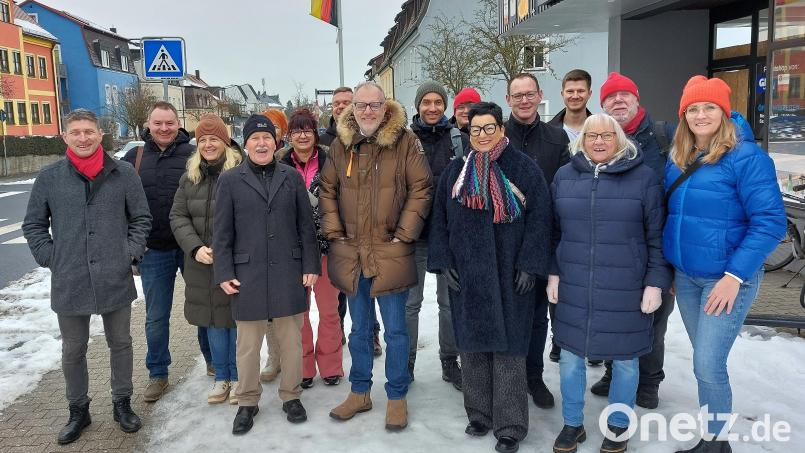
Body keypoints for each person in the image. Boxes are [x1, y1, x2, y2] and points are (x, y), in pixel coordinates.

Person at [668, 76, 785, 453]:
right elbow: (673, 216)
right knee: (704, 363)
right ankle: (712, 439)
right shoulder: (678, 157)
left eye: (709, 107)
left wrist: (734, 275)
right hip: (687, 278)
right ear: (684, 115)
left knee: (707, 364)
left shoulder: (746, 157)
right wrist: (672, 267)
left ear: (724, 112)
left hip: (727, 279)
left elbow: (770, 222)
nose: (700, 115)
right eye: (693, 109)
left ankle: (716, 444)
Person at [429, 102, 552, 453]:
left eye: (488, 128)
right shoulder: (456, 172)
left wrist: (530, 264)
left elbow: (541, 218)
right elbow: (440, 220)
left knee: (510, 350)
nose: (482, 135)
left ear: (501, 129)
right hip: (467, 274)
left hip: (511, 274)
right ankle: (479, 413)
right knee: (472, 347)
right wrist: (444, 262)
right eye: (475, 129)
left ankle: (510, 425)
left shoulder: (523, 168)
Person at [22, 109, 151, 444]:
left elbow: (141, 218)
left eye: (89, 131)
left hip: (114, 274)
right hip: (70, 278)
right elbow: (34, 225)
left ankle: (122, 403)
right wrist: (52, 257)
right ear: (65, 136)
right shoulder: (50, 178)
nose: (83, 138)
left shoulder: (123, 173)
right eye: (76, 132)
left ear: (100, 135)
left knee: (120, 343)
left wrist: (129, 253)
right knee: (73, 349)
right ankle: (78, 409)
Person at [548, 113, 671, 453]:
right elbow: (553, 232)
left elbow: (656, 237)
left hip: (626, 287)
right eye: (592, 136)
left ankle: (618, 424)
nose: (599, 141)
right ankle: (573, 424)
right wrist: (553, 272)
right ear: (582, 140)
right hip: (574, 285)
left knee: (626, 360)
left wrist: (655, 283)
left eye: (607, 135)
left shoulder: (644, 178)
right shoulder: (564, 177)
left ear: (619, 139)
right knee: (570, 358)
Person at [321, 81, 432, 431]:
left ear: (385, 107)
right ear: (352, 109)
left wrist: (404, 235)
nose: (367, 111)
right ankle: (360, 391)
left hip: (390, 252)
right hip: (353, 252)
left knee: (396, 330)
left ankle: (396, 395)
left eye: (374, 105)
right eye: (361, 105)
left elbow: (421, 188)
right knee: (359, 329)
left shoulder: (405, 142)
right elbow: (327, 190)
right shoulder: (341, 145)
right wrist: (336, 234)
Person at [214, 114, 320, 435]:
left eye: (267, 138)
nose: (261, 144)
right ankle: (247, 400)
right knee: (248, 345)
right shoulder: (230, 181)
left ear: (276, 143)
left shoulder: (291, 177)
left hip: (289, 270)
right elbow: (222, 233)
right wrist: (224, 271)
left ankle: (291, 395)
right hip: (247, 274)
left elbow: (306, 226)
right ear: (245, 144)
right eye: (255, 139)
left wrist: (311, 265)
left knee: (290, 342)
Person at [592, 72, 677, 409]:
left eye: (624, 94)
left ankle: (649, 382)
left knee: (654, 319)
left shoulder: (664, 136)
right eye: (610, 97)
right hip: (616, 248)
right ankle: (614, 371)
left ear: (636, 98)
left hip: (657, 246)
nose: (618, 101)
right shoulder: (603, 140)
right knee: (615, 315)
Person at [122, 101, 195, 402]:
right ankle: (158, 373)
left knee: (204, 308)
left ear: (178, 124)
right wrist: (131, 247)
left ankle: (215, 363)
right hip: (153, 250)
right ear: (148, 125)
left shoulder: (193, 154)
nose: (164, 128)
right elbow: (121, 205)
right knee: (155, 316)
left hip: (192, 247)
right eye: (158, 123)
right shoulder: (134, 157)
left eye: (169, 123)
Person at [504, 72, 569, 409]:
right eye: (518, 95)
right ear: (508, 100)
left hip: (542, 239)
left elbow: (565, 188)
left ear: (540, 95)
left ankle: (533, 375)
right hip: (503, 242)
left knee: (536, 316)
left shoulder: (557, 138)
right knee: (506, 313)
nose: (524, 101)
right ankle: (507, 376)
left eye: (530, 94)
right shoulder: (497, 135)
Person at [170, 113, 243, 404]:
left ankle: (238, 377)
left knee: (234, 320)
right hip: (201, 262)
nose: (208, 145)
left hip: (234, 261)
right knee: (212, 319)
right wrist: (195, 247)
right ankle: (221, 377)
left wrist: (231, 249)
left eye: (214, 139)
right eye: (203, 140)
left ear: (225, 142)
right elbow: (178, 216)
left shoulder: (240, 173)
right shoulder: (190, 177)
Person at [407, 80, 469, 388]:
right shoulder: (405, 140)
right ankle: (406, 361)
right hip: (414, 235)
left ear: (445, 106)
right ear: (418, 106)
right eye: (426, 102)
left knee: (448, 303)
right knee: (410, 304)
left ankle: (449, 359)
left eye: (438, 102)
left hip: (448, 236)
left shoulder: (459, 139)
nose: (432, 108)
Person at [276, 109, 344, 388]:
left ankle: (331, 366)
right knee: (298, 313)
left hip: (326, 247)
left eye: (307, 130)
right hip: (291, 250)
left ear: (315, 134)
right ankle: (303, 367)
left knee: (329, 310)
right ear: (288, 136)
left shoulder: (332, 161)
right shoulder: (278, 164)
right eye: (296, 131)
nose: (302, 136)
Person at [318, 86, 383, 356]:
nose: (341, 106)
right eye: (337, 103)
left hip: (366, 230)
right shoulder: (324, 140)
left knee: (367, 289)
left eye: (347, 101)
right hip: (337, 230)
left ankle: (372, 332)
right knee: (340, 291)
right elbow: (326, 187)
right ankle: (341, 331)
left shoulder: (367, 133)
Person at [548, 69, 593, 142]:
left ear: (589, 94)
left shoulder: (601, 129)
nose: (575, 96)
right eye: (570, 91)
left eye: (580, 91)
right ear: (562, 94)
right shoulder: (548, 131)